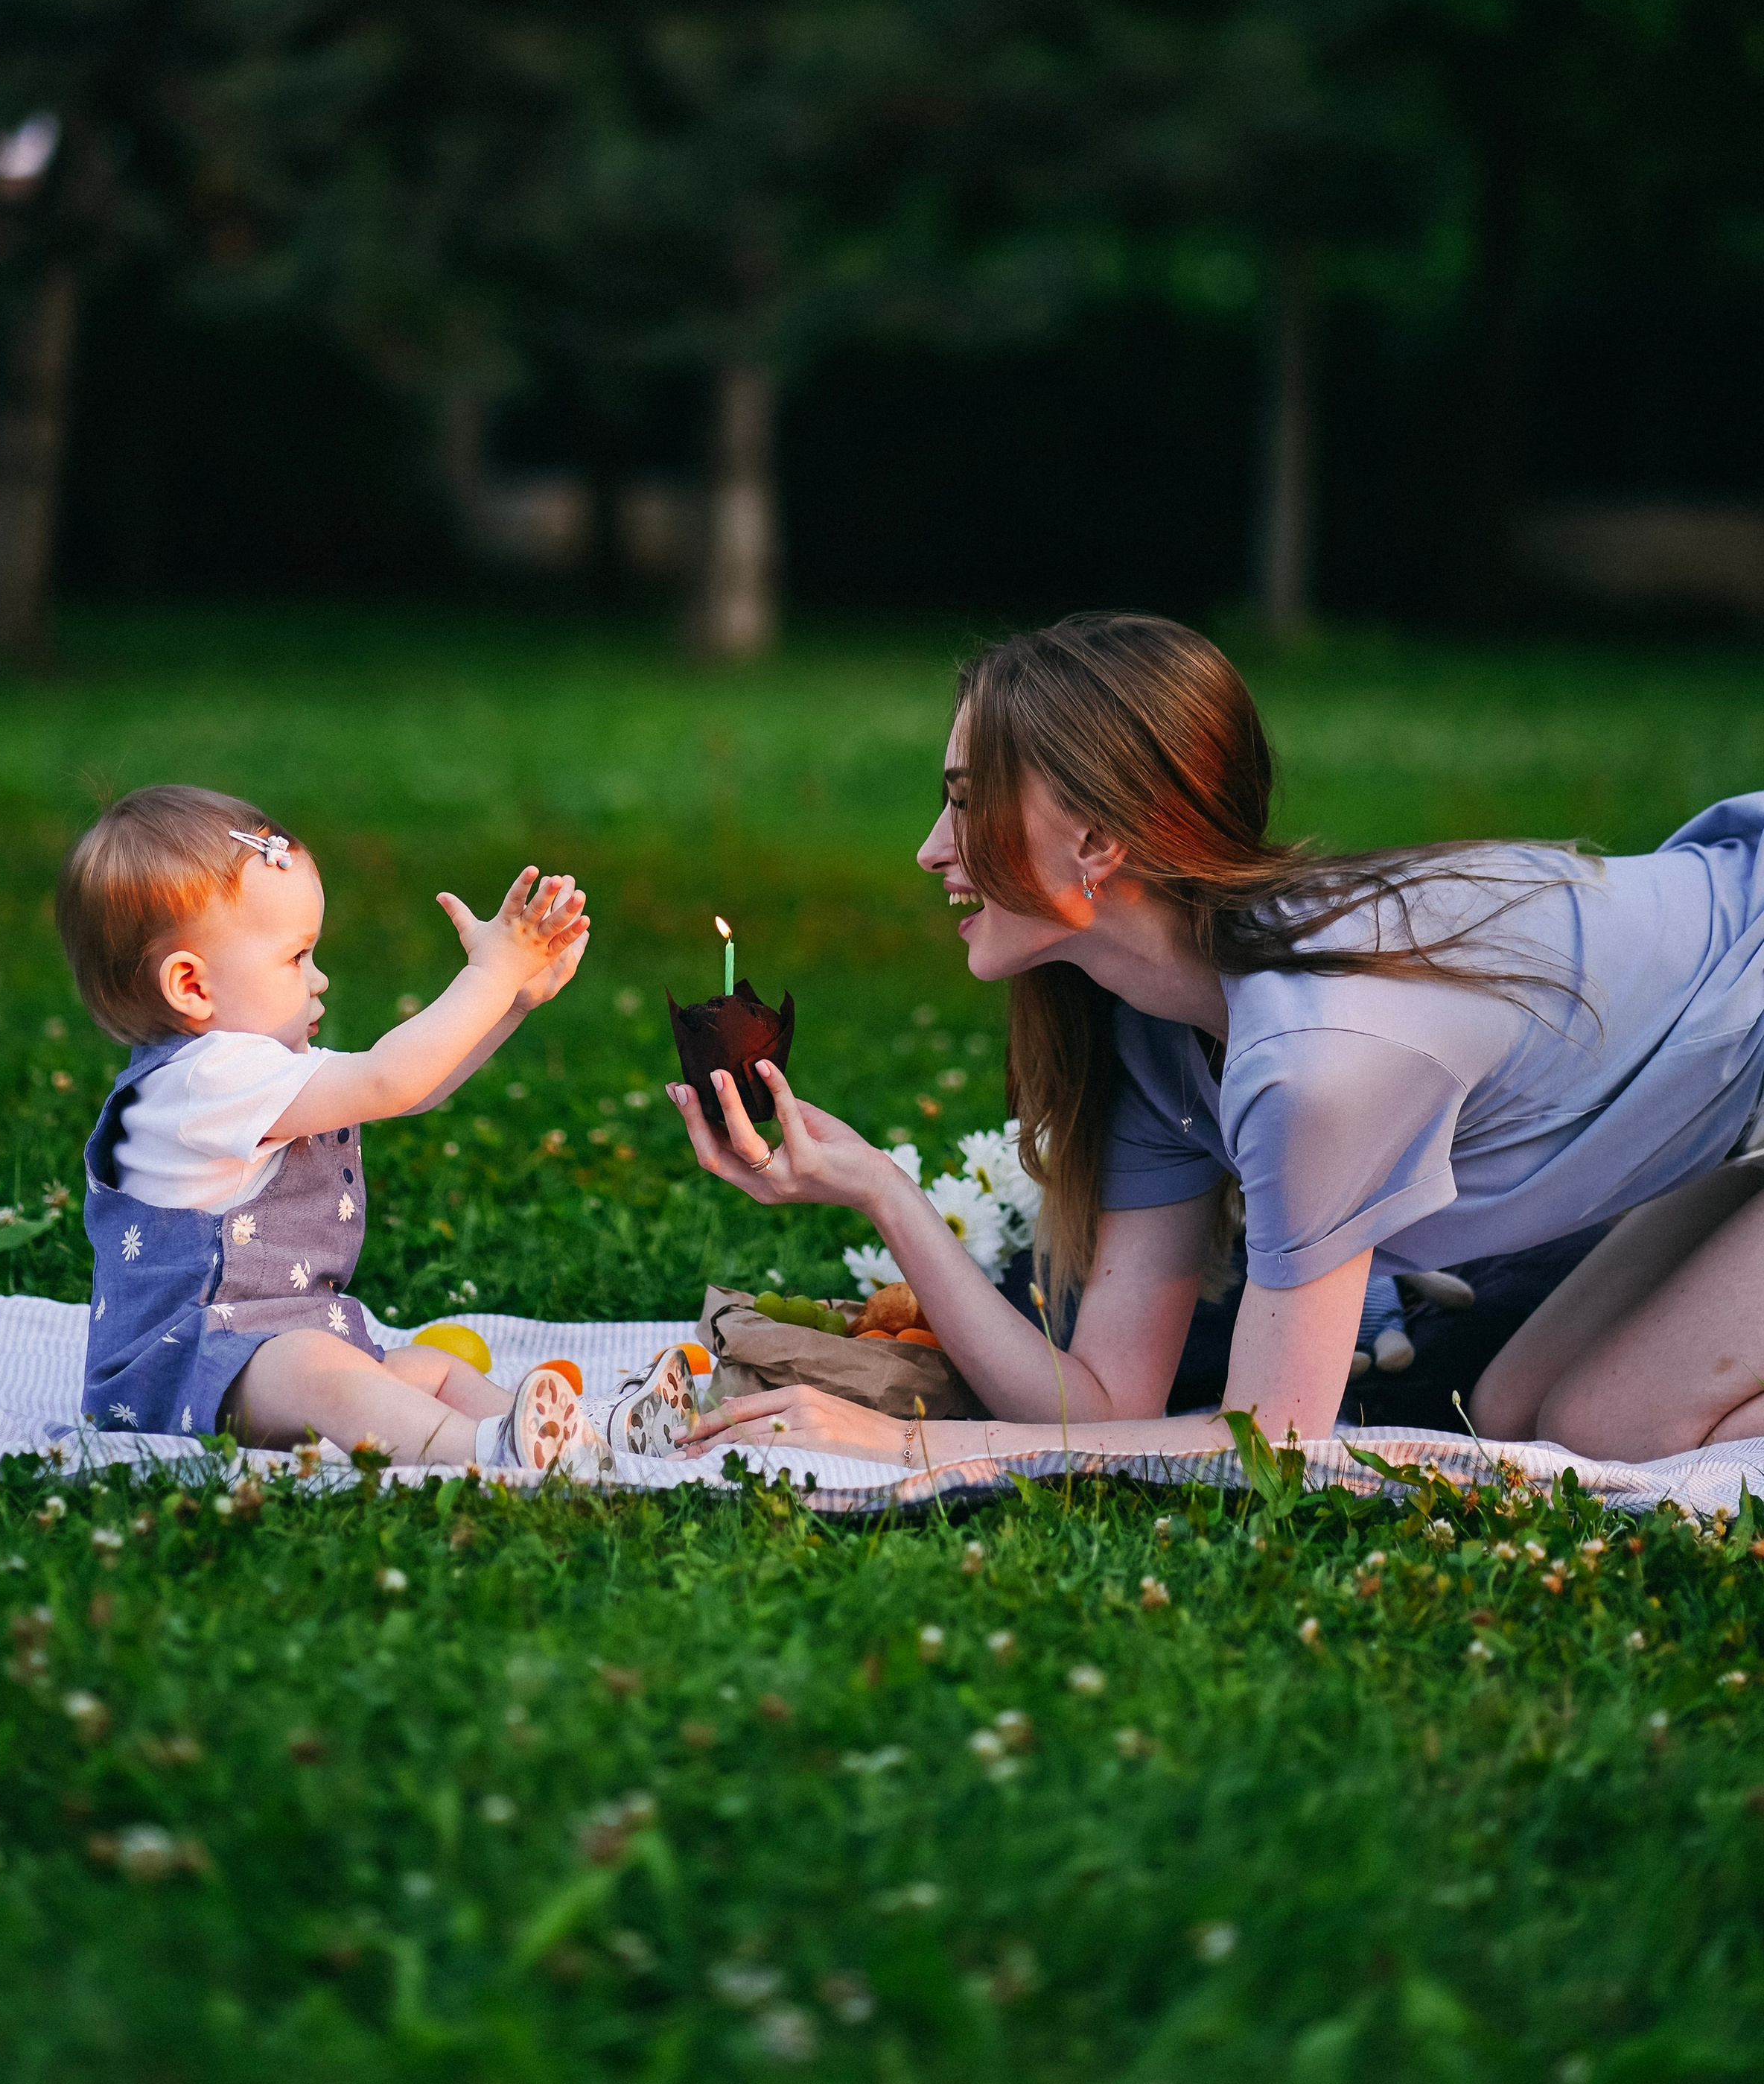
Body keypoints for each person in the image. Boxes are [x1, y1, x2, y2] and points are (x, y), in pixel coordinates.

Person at [668, 614, 1764, 1471]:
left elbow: (1270, 1448)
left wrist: (904, 1444)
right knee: (1532, 1421)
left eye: (965, 805)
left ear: (1096, 841)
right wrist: (880, 1191)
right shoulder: (1161, 1031)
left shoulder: (1321, 1060)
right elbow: (1102, 1406)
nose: (928, 851)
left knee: (1618, 1426)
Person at [57, 785, 699, 1471]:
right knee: (313, 1364)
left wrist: (507, 1001)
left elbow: (411, 1091)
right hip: (180, 1379)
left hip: (272, 1355)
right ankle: (493, 1451)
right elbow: (392, 1079)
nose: (320, 979)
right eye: (296, 957)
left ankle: (587, 1430)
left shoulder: (252, 1074)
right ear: (191, 986)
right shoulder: (200, 1083)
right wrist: (490, 970)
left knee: (427, 1367)